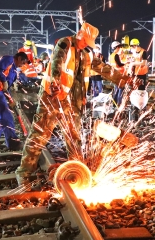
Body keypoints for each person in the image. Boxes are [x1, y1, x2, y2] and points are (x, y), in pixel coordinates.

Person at [15, 22, 133, 186]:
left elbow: (103, 68)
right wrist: (55, 81)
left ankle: (75, 173)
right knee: (40, 134)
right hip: (52, 96)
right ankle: (24, 172)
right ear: (80, 35)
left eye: (89, 43)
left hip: (71, 102)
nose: (86, 45)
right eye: (85, 41)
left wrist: (124, 81)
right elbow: (57, 61)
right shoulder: (65, 43)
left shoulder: (87, 53)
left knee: (74, 138)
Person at [109, 40, 125, 105]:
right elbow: (120, 64)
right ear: (116, 47)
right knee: (120, 90)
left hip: (114, 75)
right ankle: (119, 104)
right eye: (119, 47)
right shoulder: (116, 55)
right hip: (118, 75)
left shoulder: (111, 56)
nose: (120, 48)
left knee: (116, 89)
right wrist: (127, 63)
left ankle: (114, 104)